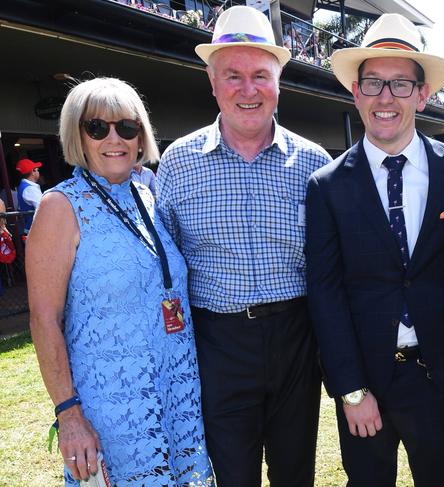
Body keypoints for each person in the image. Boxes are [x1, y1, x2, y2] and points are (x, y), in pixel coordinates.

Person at [157, 7, 331, 487]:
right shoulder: (178, 163)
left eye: (260, 75)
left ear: (279, 82)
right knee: (233, 475)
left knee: (296, 473)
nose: (247, 89)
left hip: (297, 339)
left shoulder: (313, 163)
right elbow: (164, 265)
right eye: (232, 75)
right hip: (218, 344)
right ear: (212, 83)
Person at [306, 14, 444, 486]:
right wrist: (351, 389)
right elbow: (325, 292)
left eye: (401, 84)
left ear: (423, 94)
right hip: (367, 379)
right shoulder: (326, 186)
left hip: (439, 377)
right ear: (355, 92)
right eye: (374, 83)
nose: (386, 97)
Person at [26, 77, 214, 486]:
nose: (115, 138)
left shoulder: (146, 196)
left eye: (127, 127)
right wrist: (69, 414)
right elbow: (43, 319)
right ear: (78, 134)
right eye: (98, 127)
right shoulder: (60, 207)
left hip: (176, 393)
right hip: (113, 410)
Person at [15, 158, 43, 234]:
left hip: (33, 230)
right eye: (37, 170)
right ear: (32, 172)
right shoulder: (30, 189)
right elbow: (43, 209)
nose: (38, 172)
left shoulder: (24, 186)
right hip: (37, 230)